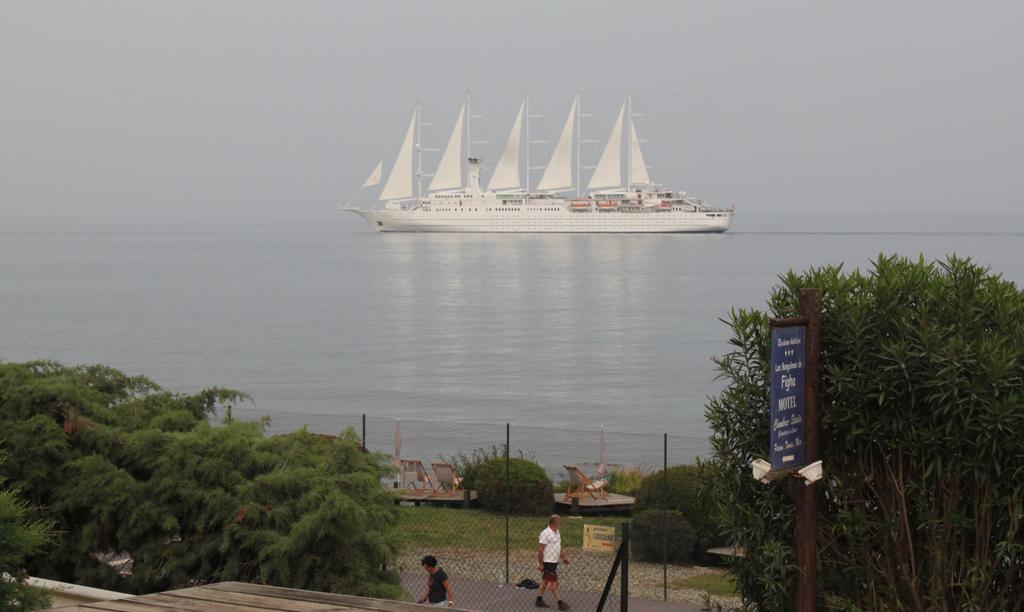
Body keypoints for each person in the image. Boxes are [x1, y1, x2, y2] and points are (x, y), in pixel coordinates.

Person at [536, 514, 571, 610]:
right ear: (555, 522)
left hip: (554, 562)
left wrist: (564, 557)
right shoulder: (545, 533)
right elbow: (540, 550)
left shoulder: (557, 532)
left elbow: (559, 547)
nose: (561, 523)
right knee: (554, 583)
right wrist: (541, 563)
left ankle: (539, 600)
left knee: (545, 581)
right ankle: (560, 603)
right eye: (559, 521)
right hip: (547, 562)